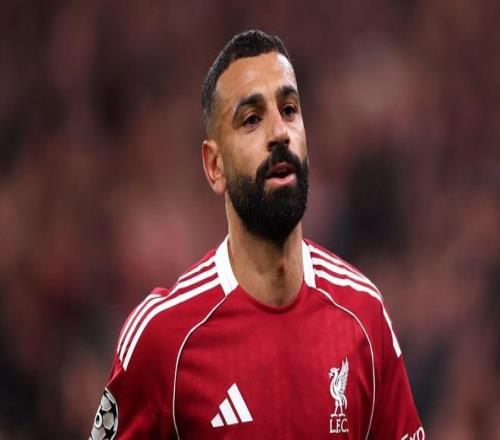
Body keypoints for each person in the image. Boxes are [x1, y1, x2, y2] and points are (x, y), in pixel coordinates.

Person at [90, 30, 424, 440]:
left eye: (289, 110)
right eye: (251, 119)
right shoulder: (163, 338)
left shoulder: (363, 315)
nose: (279, 132)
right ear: (214, 166)